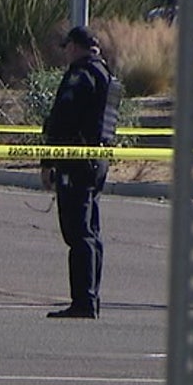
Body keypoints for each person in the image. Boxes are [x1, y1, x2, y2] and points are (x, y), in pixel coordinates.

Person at [40, 25, 121, 319]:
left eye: (68, 47)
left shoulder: (80, 75)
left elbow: (62, 119)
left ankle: (83, 302)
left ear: (75, 46)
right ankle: (90, 298)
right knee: (91, 232)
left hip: (76, 161)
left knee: (78, 233)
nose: (66, 53)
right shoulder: (105, 74)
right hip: (97, 160)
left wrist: (48, 161)